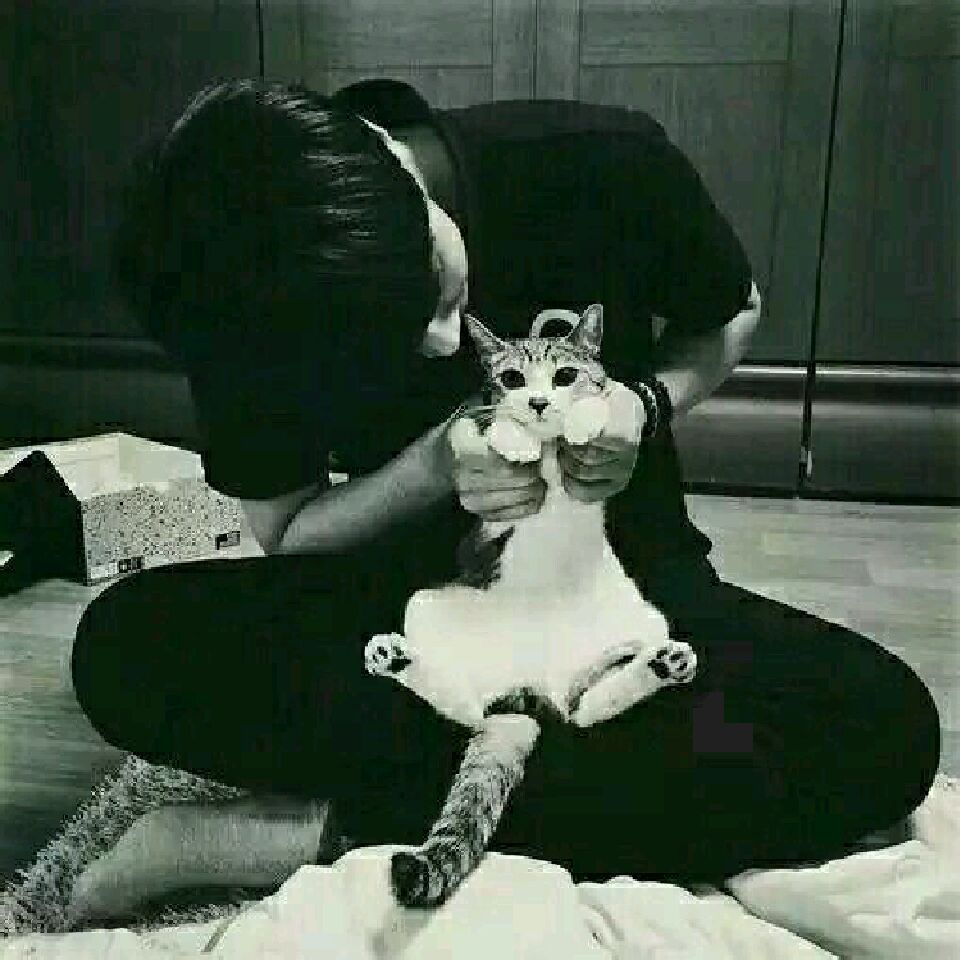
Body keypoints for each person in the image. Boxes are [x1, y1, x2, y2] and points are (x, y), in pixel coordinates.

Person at [67, 78, 939, 918]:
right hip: (400, 606)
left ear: (390, 166)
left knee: (884, 733)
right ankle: (532, 789)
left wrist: (645, 405)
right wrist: (432, 468)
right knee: (121, 649)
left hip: (615, 582)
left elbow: (732, 310)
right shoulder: (236, 295)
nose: (446, 340)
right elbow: (292, 530)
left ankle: (313, 830)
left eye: (433, 286)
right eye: (393, 341)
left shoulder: (601, 161)